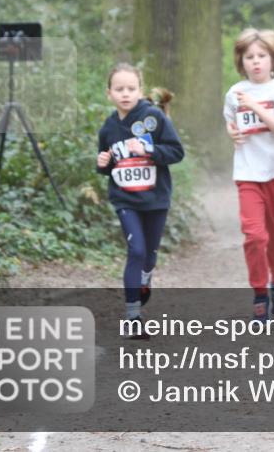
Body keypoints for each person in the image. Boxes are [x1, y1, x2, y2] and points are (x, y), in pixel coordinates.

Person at [97, 64, 184, 339]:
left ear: (140, 91)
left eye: (131, 89)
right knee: (136, 250)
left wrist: (148, 148)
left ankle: (146, 276)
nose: (125, 94)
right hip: (125, 199)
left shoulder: (153, 117)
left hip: (156, 198)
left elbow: (176, 152)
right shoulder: (109, 127)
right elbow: (108, 163)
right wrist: (102, 164)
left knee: (149, 255)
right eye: (119, 89)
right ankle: (133, 316)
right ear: (109, 93)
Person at [223, 29, 274, 322]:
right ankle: (259, 292)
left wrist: (255, 107)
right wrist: (232, 133)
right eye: (249, 56)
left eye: (261, 56)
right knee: (254, 236)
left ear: (273, 60)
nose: (256, 62)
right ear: (241, 61)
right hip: (248, 172)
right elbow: (230, 123)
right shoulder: (233, 93)